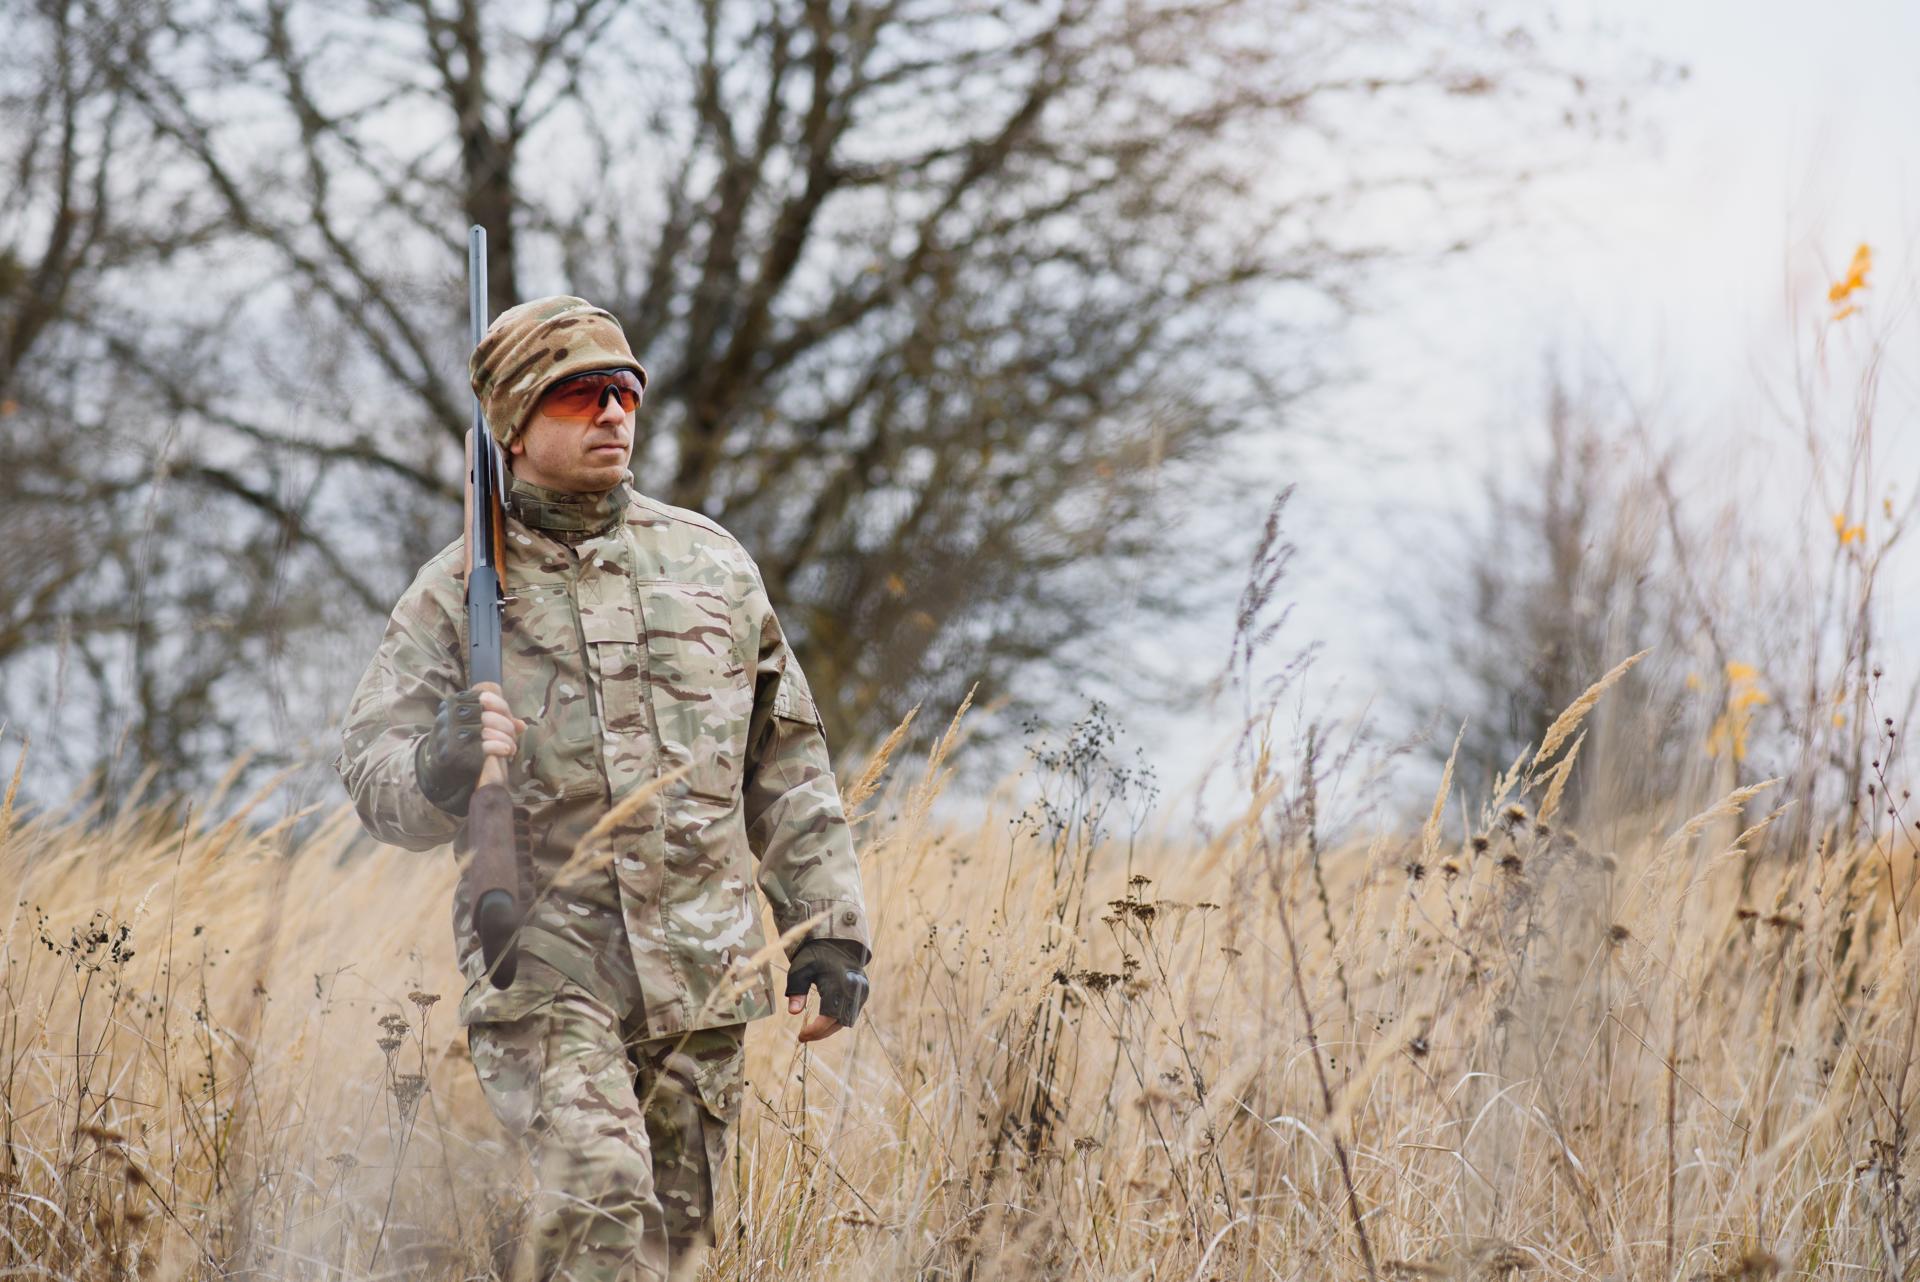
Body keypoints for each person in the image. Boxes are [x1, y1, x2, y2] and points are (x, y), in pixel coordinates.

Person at [335, 295, 872, 1282]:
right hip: (545, 960)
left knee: (670, 1252)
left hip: (699, 977)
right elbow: (372, 774)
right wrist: (438, 766)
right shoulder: (454, 593)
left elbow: (787, 764)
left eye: (623, 392)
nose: (614, 414)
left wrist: (828, 936)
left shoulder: (714, 566)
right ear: (513, 426)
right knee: (600, 1189)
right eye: (581, 396)